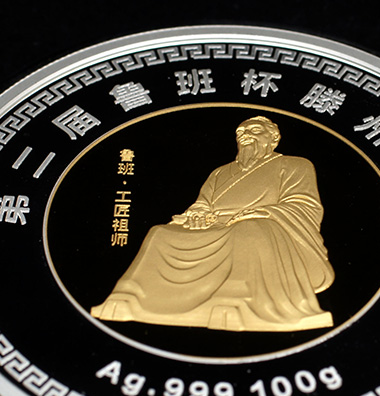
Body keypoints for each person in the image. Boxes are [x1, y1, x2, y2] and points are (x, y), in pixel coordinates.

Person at [91, 116, 334, 331]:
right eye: (241, 132)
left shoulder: (295, 165)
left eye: (255, 130)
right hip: (214, 226)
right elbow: (202, 202)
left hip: (262, 224)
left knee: (247, 231)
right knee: (160, 233)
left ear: (274, 138)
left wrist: (258, 212)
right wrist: (198, 212)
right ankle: (132, 297)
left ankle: (239, 300)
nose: (246, 135)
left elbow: (303, 204)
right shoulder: (220, 172)